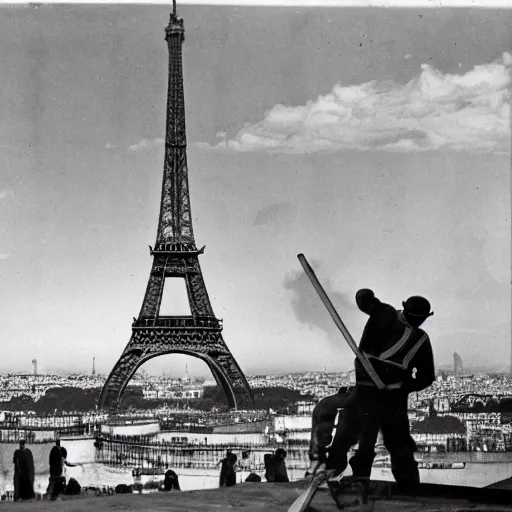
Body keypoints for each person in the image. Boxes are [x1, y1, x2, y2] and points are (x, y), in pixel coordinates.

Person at [348, 289, 435, 490]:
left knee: (396, 443)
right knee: (368, 441)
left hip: (391, 396)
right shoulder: (385, 313)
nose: (418, 322)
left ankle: (409, 486)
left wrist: (403, 387)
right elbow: (365, 301)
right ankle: (362, 481)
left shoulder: (420, 338)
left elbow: (426, 376)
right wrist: (365, 296)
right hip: (370, 392)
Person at [309, 386, 358, 477]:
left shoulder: (327, 401)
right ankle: (316, 473)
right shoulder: (335, 401)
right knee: (321, 444)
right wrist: (355, 393)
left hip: (321, 419)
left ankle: (314, 472)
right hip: (323, 420)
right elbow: (346, 402)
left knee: (320, 445)